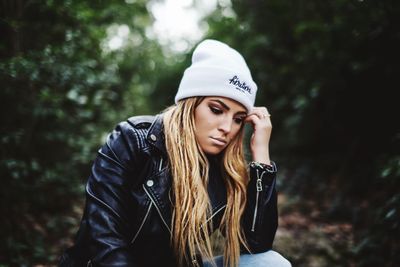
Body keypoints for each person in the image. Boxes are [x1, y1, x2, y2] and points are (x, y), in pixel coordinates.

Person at [59, 39, 291, 267]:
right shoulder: (134, 141)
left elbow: (256, 244)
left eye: (239, 119)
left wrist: (261, 154)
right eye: (217, 109)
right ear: (191, 104)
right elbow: (103, 239)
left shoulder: (222, 169)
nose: (227, 128)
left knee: (270, 263)